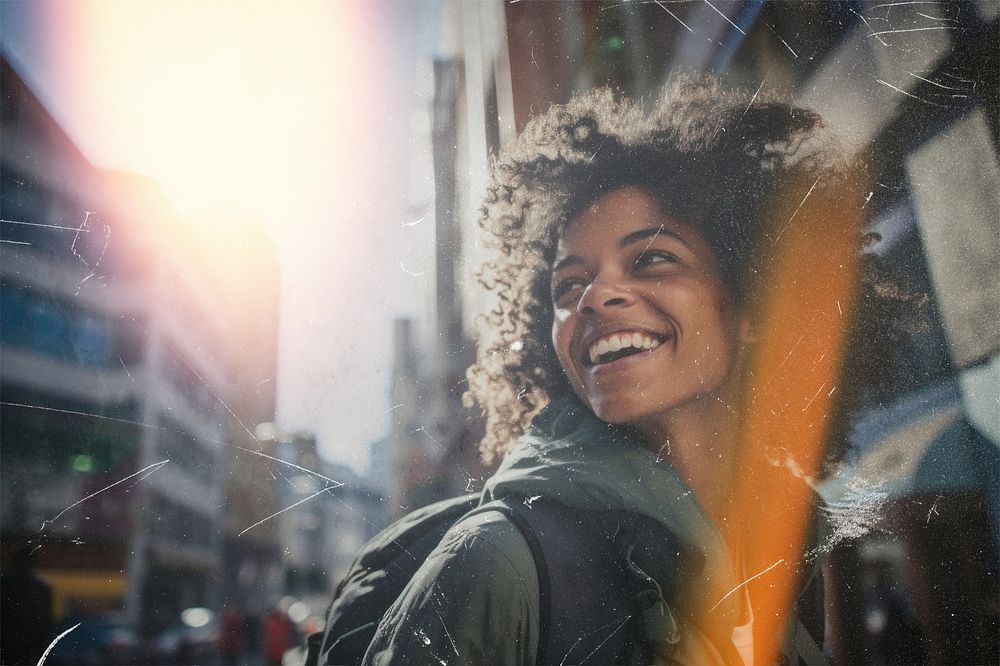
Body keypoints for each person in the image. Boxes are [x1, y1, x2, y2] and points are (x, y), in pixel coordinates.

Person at [363, 75, 916, 665]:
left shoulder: (788, 558)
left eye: (651, 259)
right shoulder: (497, 561)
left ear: (752, 307)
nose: (595, 297)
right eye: (569, 284)